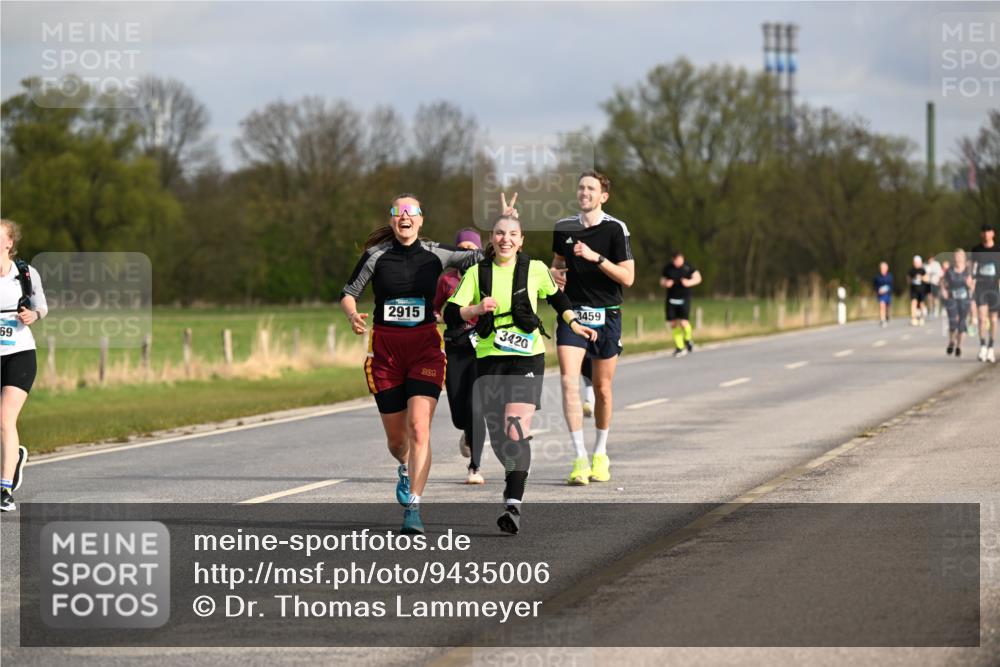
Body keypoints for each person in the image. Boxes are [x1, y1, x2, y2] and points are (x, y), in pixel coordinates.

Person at [339, 194, 483, 534]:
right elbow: (348, 292)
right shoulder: (376, 256)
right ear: (392, 220)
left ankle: (414, 508)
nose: (404, 216)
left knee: (420, 428)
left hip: (424, 349)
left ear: (420, 219)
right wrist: (352, 315)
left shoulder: (438, 253)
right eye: (398, 211)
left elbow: (482, 257)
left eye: (411, 211)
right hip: (386, 353)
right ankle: (404, 468)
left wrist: (505, 227)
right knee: (397, 442)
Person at [446, 210, 597, 533]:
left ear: (521, 240)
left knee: (515, 430)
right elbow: (450, 311)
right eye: (500, 233)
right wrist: (475, 309)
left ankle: (513, 504)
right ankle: (513, 476)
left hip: (527, 358)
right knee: (500, 441)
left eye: (512, 234)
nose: (506, 239)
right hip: (489, 360)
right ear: (491, 238)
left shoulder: (536, 270)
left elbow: (559, 300)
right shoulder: (477, 273)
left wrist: (574, 323)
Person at [550, 170, 635, 486]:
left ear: (603, 196)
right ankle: (579, 457)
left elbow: (627, 278)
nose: (584, 192)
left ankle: (600, 454)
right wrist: (554, 273)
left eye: (591, 188)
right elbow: (556, 265)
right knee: (569, 382)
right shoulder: (563, 228)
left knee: (601, 388)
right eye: (581, 187)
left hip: (607, 316)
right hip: (572, 314)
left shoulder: (615, 229)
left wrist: (595, 257)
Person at [433, 227, 486, 484]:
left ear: (479, 251)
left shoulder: (486, 276)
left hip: (482, 345)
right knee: (457, 407)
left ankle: (474, 467)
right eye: (461, 248)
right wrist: (434, 318)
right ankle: (466, 432)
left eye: (471, 248)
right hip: (455, 345)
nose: (466, 253)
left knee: (476, 405)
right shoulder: (446, 280)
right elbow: (434, 309)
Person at [1, 219, 47, 512]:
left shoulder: (25, 273)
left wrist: (33, 315)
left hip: (19, 353)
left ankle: (4, 490)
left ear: (9, 243)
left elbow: (41, 306)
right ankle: (13, 458)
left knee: (5, 418)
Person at [660, 251, 702, 357]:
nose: (678, 262)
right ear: (673, 260)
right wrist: (665, 283)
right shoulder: (668, 268)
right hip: (671, 299)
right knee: (673, 323)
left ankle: (688, 339)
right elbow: (662, 280)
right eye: (676, 260)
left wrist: (689, 282)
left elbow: (698, 278)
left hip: (684, 298)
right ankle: (680, 347)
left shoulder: (688, 267)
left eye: (680, 259)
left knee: (684, 323)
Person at [971, 224, 999, 363]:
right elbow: (973, 268)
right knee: (982, 318)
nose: (986, 234)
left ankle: (991, 347)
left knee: (993, 319)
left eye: (989, 231)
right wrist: (971, 281)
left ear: (993, 233)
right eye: (984, 232)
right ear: (981, 234)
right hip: (981, 287)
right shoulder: (976, 250)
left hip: (994, 287)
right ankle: (982, 346)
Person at [941, 249, 974, 358]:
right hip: (952, 298)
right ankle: (951, 341)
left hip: (964, 300)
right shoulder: (949, 270)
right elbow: (943, 282)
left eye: (960, 256)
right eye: (956, 256)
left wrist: (971, 286)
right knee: (953, 322)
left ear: (964, 257)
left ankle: (959, 346)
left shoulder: (968, 270)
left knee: (961, 324)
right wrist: (944, 291)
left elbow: (973, 285)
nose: (958, 258)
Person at [908, 255, 928, 326]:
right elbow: (908, 280)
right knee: (914, 303)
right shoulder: (911, 270)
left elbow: (927, 279)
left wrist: (921, 277)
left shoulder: (923, 270)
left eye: (917, 262)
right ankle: (914, 318)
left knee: (921, 304)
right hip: (914, 290)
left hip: (921, 290)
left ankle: (922, 318)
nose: (916, 264)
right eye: (915, 262)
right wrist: (912, 279)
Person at [873, 262, 893, 327]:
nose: (883, 269)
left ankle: (886, 316)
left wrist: (887, 290)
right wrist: (878, 290)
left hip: (888, 294)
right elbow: (874, 285)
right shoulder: (877, 277)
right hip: (881, 295)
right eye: (882, 268)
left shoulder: (890, 276)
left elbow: (891, 286)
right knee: (882, 305)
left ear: (887, 269)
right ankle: (882, 319)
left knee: (887, 307)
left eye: (884, 268)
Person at [925, 254, 943, 319]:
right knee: (929, 297)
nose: (930, 260)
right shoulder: (926, 266)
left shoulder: (937, 265)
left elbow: (941, 274)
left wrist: (940, 282)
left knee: (936, 298)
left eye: (931, 259)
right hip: (928, 283)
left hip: (935, 283)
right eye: (929, 259)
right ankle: (930, 311)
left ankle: (936, 310)